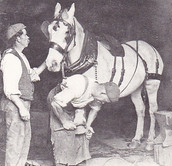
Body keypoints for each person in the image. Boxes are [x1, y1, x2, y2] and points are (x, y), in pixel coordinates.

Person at [47, 74, 120, 166]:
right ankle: (62, 163)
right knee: (63, 135)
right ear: (103, 93)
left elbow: (95, 109)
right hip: (59, 102)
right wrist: (64, 121)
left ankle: (78, 162)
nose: (102, 103)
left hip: (76, 105)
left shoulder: (97, 92)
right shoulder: (79, 85)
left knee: (82, 134)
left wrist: (88, 126)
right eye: (104, 101)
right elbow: (55, 103)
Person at [0, 23, 46, 166]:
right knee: (15, 142)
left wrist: (48, 61)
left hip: (22, 104)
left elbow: (31, 75)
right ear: (17, 39)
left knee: (24, 140)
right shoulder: (11, 58)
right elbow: (10, 88)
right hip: (15, 105)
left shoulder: (21, 57)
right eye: (25, 35)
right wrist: (21, 107)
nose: (28, 37)